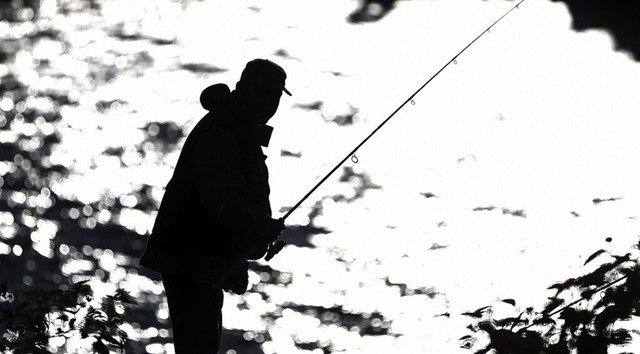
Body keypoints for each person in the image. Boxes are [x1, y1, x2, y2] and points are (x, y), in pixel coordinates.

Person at [138, 58, 291, 353]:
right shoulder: (223, 132)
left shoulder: (239, 128)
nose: (269, 103)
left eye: (275, 96)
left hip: (202, 263)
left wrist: (238, 258)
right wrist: (258, 226)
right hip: (189, 263)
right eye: (262, 93)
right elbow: (220, 203)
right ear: (242, 89)